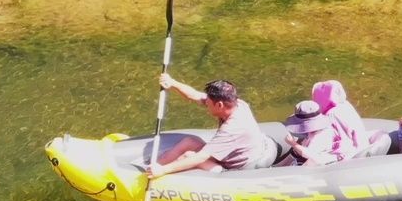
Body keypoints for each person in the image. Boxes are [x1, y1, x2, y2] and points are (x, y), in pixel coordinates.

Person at [146, 75, 275, 178]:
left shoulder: (232, 128)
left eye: (208, 103)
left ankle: (159, 174)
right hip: (234, 153)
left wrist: (163, 171)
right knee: (189, 142)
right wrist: (173, 83)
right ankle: (152, 166)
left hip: (235, 170)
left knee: (188, 156)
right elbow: (195, 96)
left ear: (219, 105)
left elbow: (201, 157)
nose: (206, 104)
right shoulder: (236, 103)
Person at [310, 79, 367, 156]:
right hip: (362, 146)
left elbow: (343, 141)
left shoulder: (332, 114)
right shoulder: (346, 105)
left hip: (354, 153)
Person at [278, 100, 342, 166]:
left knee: (311, 160)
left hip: (323, 161)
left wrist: (292, 143)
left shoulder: (322, 134)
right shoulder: (314, 130)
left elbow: (308, 154)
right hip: (313, 155)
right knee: (296, 152)